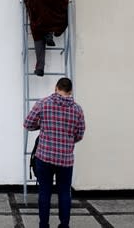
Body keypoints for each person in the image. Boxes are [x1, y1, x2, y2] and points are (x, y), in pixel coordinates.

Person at [24, 77, 85, 228]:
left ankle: (43, 225)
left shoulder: (43, 103)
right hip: (65, 159)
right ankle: (64, 225)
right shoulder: (77, 110)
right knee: (64, 193)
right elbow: (79, 134)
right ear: (70, 91)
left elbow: (27, 123)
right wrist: (67, 140)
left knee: (45, 192)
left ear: (56, 88)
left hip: (44, 157)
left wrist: (42, 126)